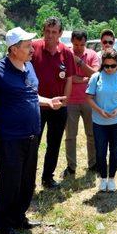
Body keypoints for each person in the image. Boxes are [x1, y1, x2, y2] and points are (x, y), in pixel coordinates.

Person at [0, 27, 64, 234]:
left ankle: (19, 217)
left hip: (31, 136)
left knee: (27, 181)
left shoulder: (29, 67)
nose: (32, 49)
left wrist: (49, 101)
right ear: (14, 49)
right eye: (27, 46)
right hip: (9, 138)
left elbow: (32, 95)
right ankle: (4, 226)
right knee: (9, 182)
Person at [31, 16, 75, 189]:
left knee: (54, 143)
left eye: (54, 32)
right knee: (33, 144)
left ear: (60, 34)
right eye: (47, 31)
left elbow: (69, 80)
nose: (49, 35)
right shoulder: (33, 48)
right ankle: (29, 179)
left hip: (58, 107)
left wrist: (64, 102)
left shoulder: (66, 53)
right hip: (37, 106)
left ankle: (47, 177)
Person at [86, 49, 117, 192]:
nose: (109, 69)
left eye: (113, 66)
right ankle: (102, 178)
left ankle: (111, 178)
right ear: (102, 65)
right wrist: (100, 110)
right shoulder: (96, 77)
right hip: (99, 122)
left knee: (114, 150)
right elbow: (89, 98)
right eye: (106, 66)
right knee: (100, 152)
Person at [64, 30, 99, 177]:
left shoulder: (92, 55)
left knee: (91, 134)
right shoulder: (65, 54)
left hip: (89, 101)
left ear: (86, 42)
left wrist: (79, 62)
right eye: (76, 44)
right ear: (71, 41)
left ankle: (93, 164)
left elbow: (95, 74)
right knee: (70, 136)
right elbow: (66, 76)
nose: (78, 47)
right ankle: (71, 167)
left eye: (82, 44)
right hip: (70, 101)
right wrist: (84, 78)